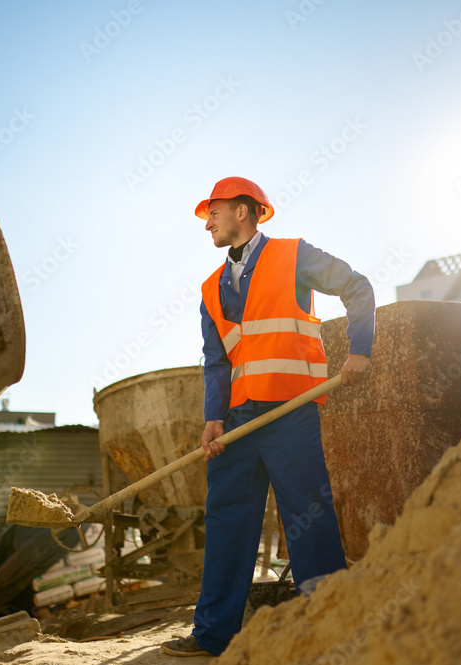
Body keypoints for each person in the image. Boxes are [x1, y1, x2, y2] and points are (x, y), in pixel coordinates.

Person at [160, 177, 375, 657]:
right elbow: (216, 361)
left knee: (308, 516)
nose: (207, 222)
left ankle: (330, 627)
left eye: (212, 211)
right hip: (237, 422)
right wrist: (213, 418)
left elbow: (357, 287)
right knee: (226, 523)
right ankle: (213, 634)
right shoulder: (209, 289)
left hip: (291, 413)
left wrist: (360, 349)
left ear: (242, 211)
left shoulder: (293, 256)